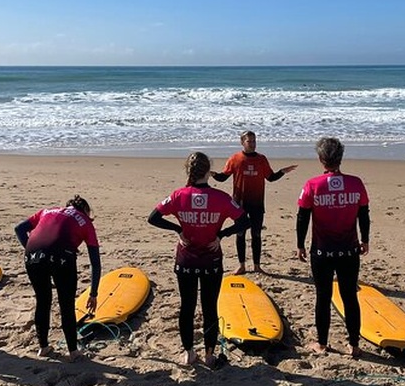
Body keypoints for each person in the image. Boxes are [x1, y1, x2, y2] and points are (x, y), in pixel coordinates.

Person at [148, 152, 250, 367]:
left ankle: (188, 353)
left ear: (189, 171)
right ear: (208, 172)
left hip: (185, 260)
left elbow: (153, 218)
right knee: (210, 307)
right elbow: (244, 221)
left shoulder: (178, 195)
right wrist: (221, 235)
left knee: (187, 307)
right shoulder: (221, 198)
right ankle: (210, 354)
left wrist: (178, 229)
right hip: (211, 260)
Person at [295, 137, 369, 359]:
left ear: (320, 159)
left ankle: (321, 343)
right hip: (349, 250)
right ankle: (354, 345)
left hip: (322, 251)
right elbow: (363, 214)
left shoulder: (312, 185)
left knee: (323, 296)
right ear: (341, 158)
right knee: (349, 296)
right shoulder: (356, 183)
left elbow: (302, 217)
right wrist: (365, 240)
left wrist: (300, 244)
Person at [15, 195, 101, 360]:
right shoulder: (85, 222)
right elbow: (95, 263)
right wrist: (93, 293)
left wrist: (34, 251)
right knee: (66, 304)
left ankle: (43, 347)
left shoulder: (46, 211)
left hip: (32, 254)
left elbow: (19, 229)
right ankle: (73, 351)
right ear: (85, 210)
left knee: (43, 299)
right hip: (62, 256)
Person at [212, 131, 298, 275]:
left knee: (256, 234)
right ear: (242, 142)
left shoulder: (261, 159)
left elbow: (270, 177)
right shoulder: (235, 159)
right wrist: (212, 174)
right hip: (239, 204)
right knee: (240, 234)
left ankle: (257, 266)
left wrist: (282, 171)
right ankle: (242, 265)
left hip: (257, 204)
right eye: (249, 141)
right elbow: (223, 178)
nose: (252, 144)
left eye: (254, 141)